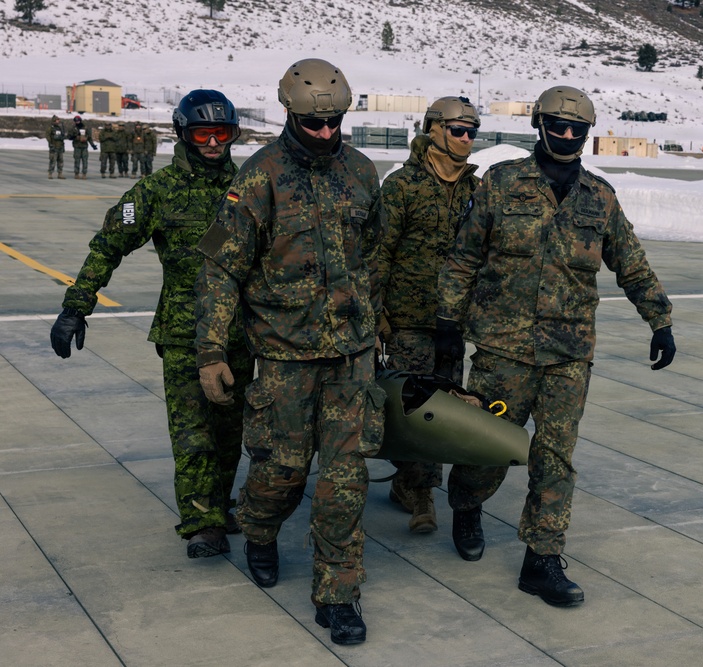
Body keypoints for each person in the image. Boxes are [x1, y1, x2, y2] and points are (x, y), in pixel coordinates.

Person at [435, 85, 675, 608]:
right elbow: (463, 257)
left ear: (587, 135)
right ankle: (467, 503)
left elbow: (630, 263)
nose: (566, 136)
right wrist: (447, 321)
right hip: (504, 349)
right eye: (557, 127)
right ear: (539, 126)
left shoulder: (600, 197)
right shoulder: (501, 183)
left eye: (577, 130)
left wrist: (660, 321)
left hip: (569, 353)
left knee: (555, 457)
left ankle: (542, 558)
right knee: (488, 448)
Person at [194, 59, 384, 646]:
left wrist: (376, 325)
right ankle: (257, 527)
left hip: (349, 357)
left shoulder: (361, 172)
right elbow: (221, 267)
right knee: (281, 469)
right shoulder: (259, 177)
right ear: (289, 113)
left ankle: (338, 592)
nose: (326, 133)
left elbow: (370, 254)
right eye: (313, 123)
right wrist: (210, 350)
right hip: (283, 356)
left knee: (345, 478)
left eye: (335, 122)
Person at [50, 90, 253, 560]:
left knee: (229, 434)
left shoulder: (250, 186)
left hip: (241, 333)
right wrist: (75, 306)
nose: (213, 143)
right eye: (203, 133)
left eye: (222, 133)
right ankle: (203, 523)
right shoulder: (156, 192)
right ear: (184, 134)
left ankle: (219, 505)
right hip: (183, 334)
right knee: (193, 434)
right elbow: (107, 246)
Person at [379, 96, 481, 534]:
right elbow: (379, 252)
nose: (466, 139)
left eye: (472, 132)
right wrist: (376, 311)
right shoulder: (402, 186)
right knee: (414, 408)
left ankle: (416, 484)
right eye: (458, 130)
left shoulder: (476, 191)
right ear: (433, 129)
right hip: (407, 320)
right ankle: (418, 491)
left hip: (451, 323)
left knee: (445, 409)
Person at [69, 115, 98, 179]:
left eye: (78, 121)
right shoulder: (73, 128)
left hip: (84, 146)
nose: (77, 122)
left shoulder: (85, 128)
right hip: (77, 146)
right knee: (77, 160)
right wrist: (75, 137)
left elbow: (89, 137)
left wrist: (93, 145)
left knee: (85, 160)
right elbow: (69, 136)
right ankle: (76, 173)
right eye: (76, 121)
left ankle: (84, 173)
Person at [45, 115, 67, 179]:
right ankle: (50, 173)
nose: (58, 121)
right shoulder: (50, 128)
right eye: (57, 120)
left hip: (60, 147)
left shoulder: (60, 128)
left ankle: (60, 173)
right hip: (54, 147)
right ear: (54, 120)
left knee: (60, 161)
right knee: (52, 160)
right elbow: (47, 136)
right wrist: (50, 143)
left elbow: (62, 136)